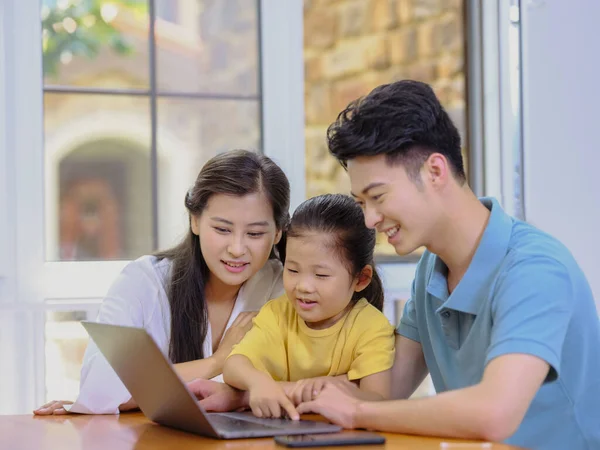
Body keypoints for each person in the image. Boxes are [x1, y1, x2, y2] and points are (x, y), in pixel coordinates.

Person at [194, 81, 600, 449]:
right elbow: (386, 391)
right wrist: (244, 396)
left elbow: (493, 413)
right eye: (361, 203)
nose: (369, 219)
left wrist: (358, 414)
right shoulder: (431, 271)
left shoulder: (534, 270)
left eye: (378, 196)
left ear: (435, 171)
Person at [34, 149, 290, 415]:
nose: (237, 248)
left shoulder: (287, 289)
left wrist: (237, 395)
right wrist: (217, 362)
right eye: (222, 229)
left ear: (277, 233)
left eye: (255, 233)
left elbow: (309, 384)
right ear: (195, 221)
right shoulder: (144, 282)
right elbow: (99, 390)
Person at [222, 194, 395, 420]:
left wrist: (333, 388)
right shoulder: (278, 313)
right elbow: (234, 365)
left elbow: (378, 399)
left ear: (361, 279)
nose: (303, 286)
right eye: (292, 270)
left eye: (321, 275)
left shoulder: (371, 327)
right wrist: (259, 383)